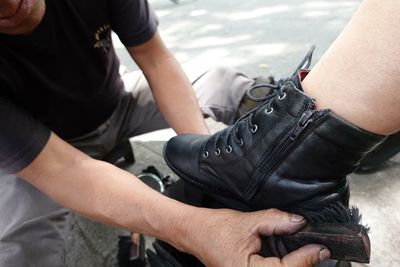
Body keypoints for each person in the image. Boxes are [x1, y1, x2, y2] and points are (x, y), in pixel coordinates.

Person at [0, 0, 328, 266]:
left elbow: (156, 61)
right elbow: (63, 169)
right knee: (21, 245)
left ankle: (320, 130)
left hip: (121, 101)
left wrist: (208, 162)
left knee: (221, 82)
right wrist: (192, 229)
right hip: (44, 148)